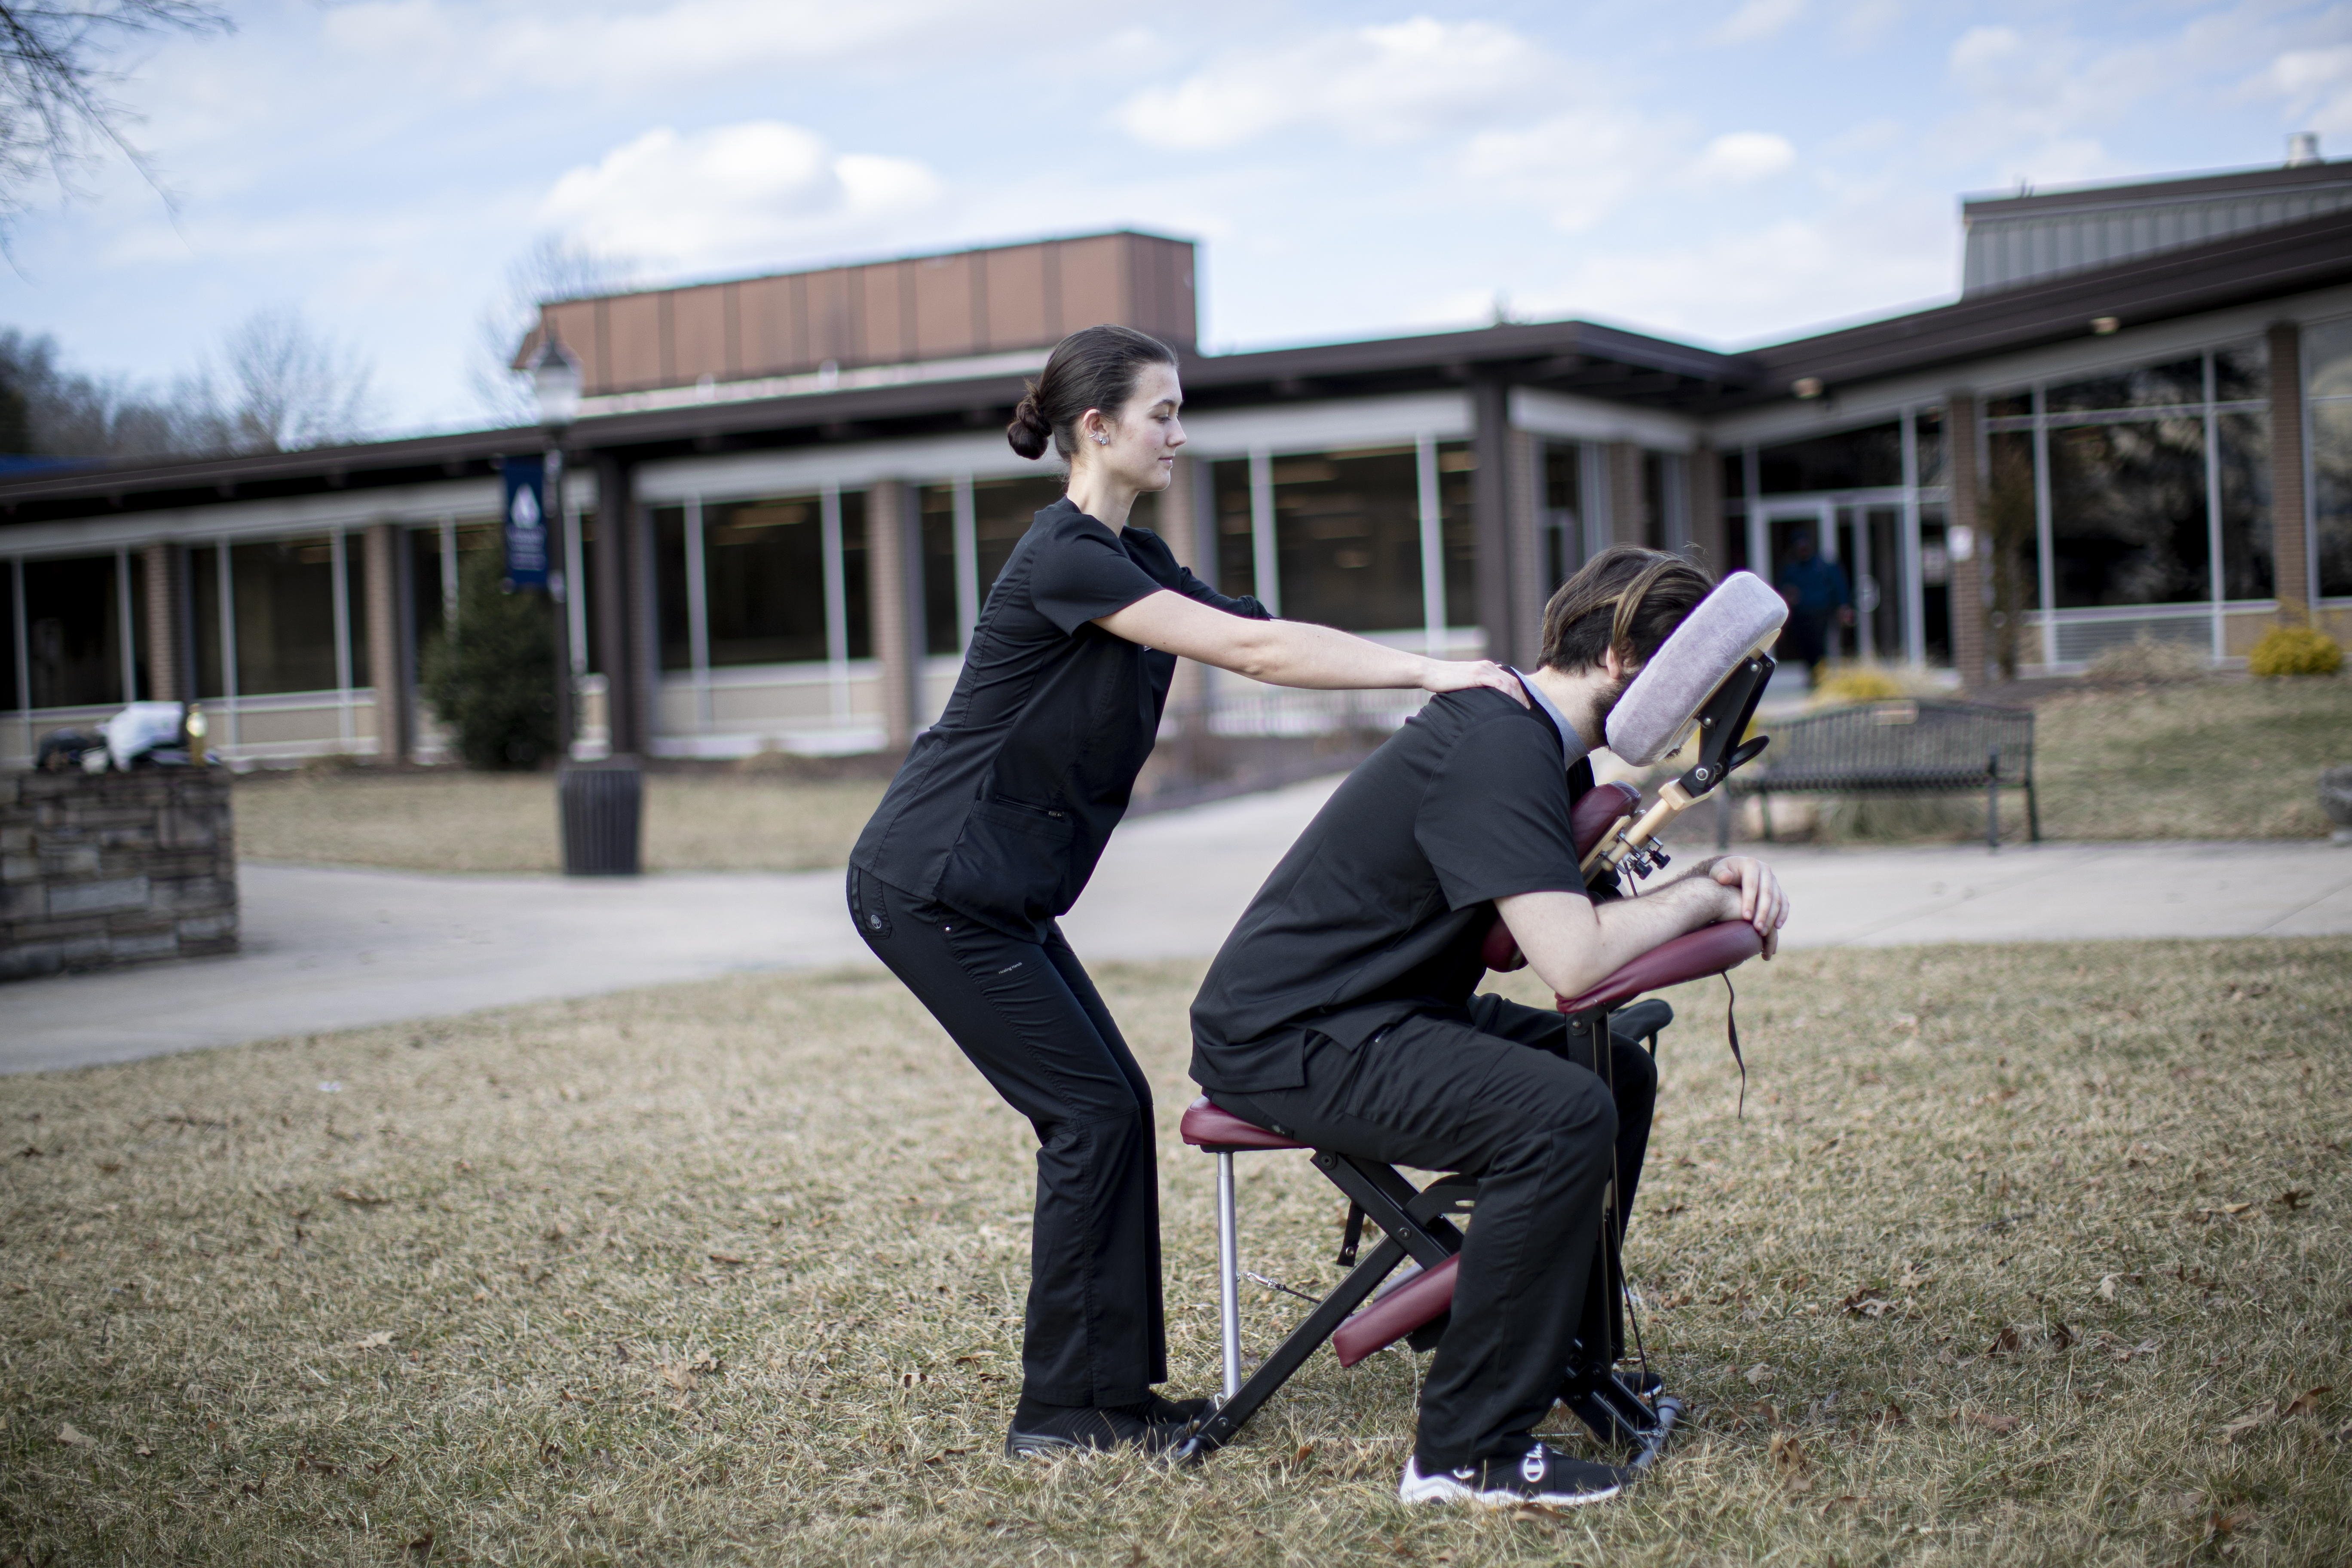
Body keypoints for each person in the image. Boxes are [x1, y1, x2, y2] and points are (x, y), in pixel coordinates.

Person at [847, 324, 1528, 1459]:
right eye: (1161, 412)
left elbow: (1256, 635)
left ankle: (1105, 1399)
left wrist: (1431, 694)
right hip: (930, 884)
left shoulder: (1134, 558)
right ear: (1098, 427)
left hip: (993, 894)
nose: (1178, 431)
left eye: (1179, 410)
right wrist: (1433, 669)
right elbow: (1250, 658)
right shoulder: (1063, 555)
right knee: (1090, 1116)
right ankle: (1064, 1415)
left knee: (1108, 1112)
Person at [1188, 545, 1791, 1510]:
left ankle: (1562, 1358)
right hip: (1291, 1034)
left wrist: (1696, 889)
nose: (1693, 722)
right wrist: (1706, 894)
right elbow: (1576, 961)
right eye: (1694, 688)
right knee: (1559, 1115)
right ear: (1629, 659)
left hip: (1387, 1005)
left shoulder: (1549, 749)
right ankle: (1464, 1452)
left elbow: (1533, 935)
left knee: (1616, 1076)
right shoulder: (1498, 746)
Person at [1775, 530, 1852, 674]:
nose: (1803, 551)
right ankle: (1814, 673)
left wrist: (1844, 606)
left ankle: (1821, 675)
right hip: (1801, 615)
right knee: (1805, 646)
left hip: (1821, 613)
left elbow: (1839, 586)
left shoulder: (1824, 566)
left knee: (1819, 646)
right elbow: (1783, 589)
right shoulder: (1791, 569)